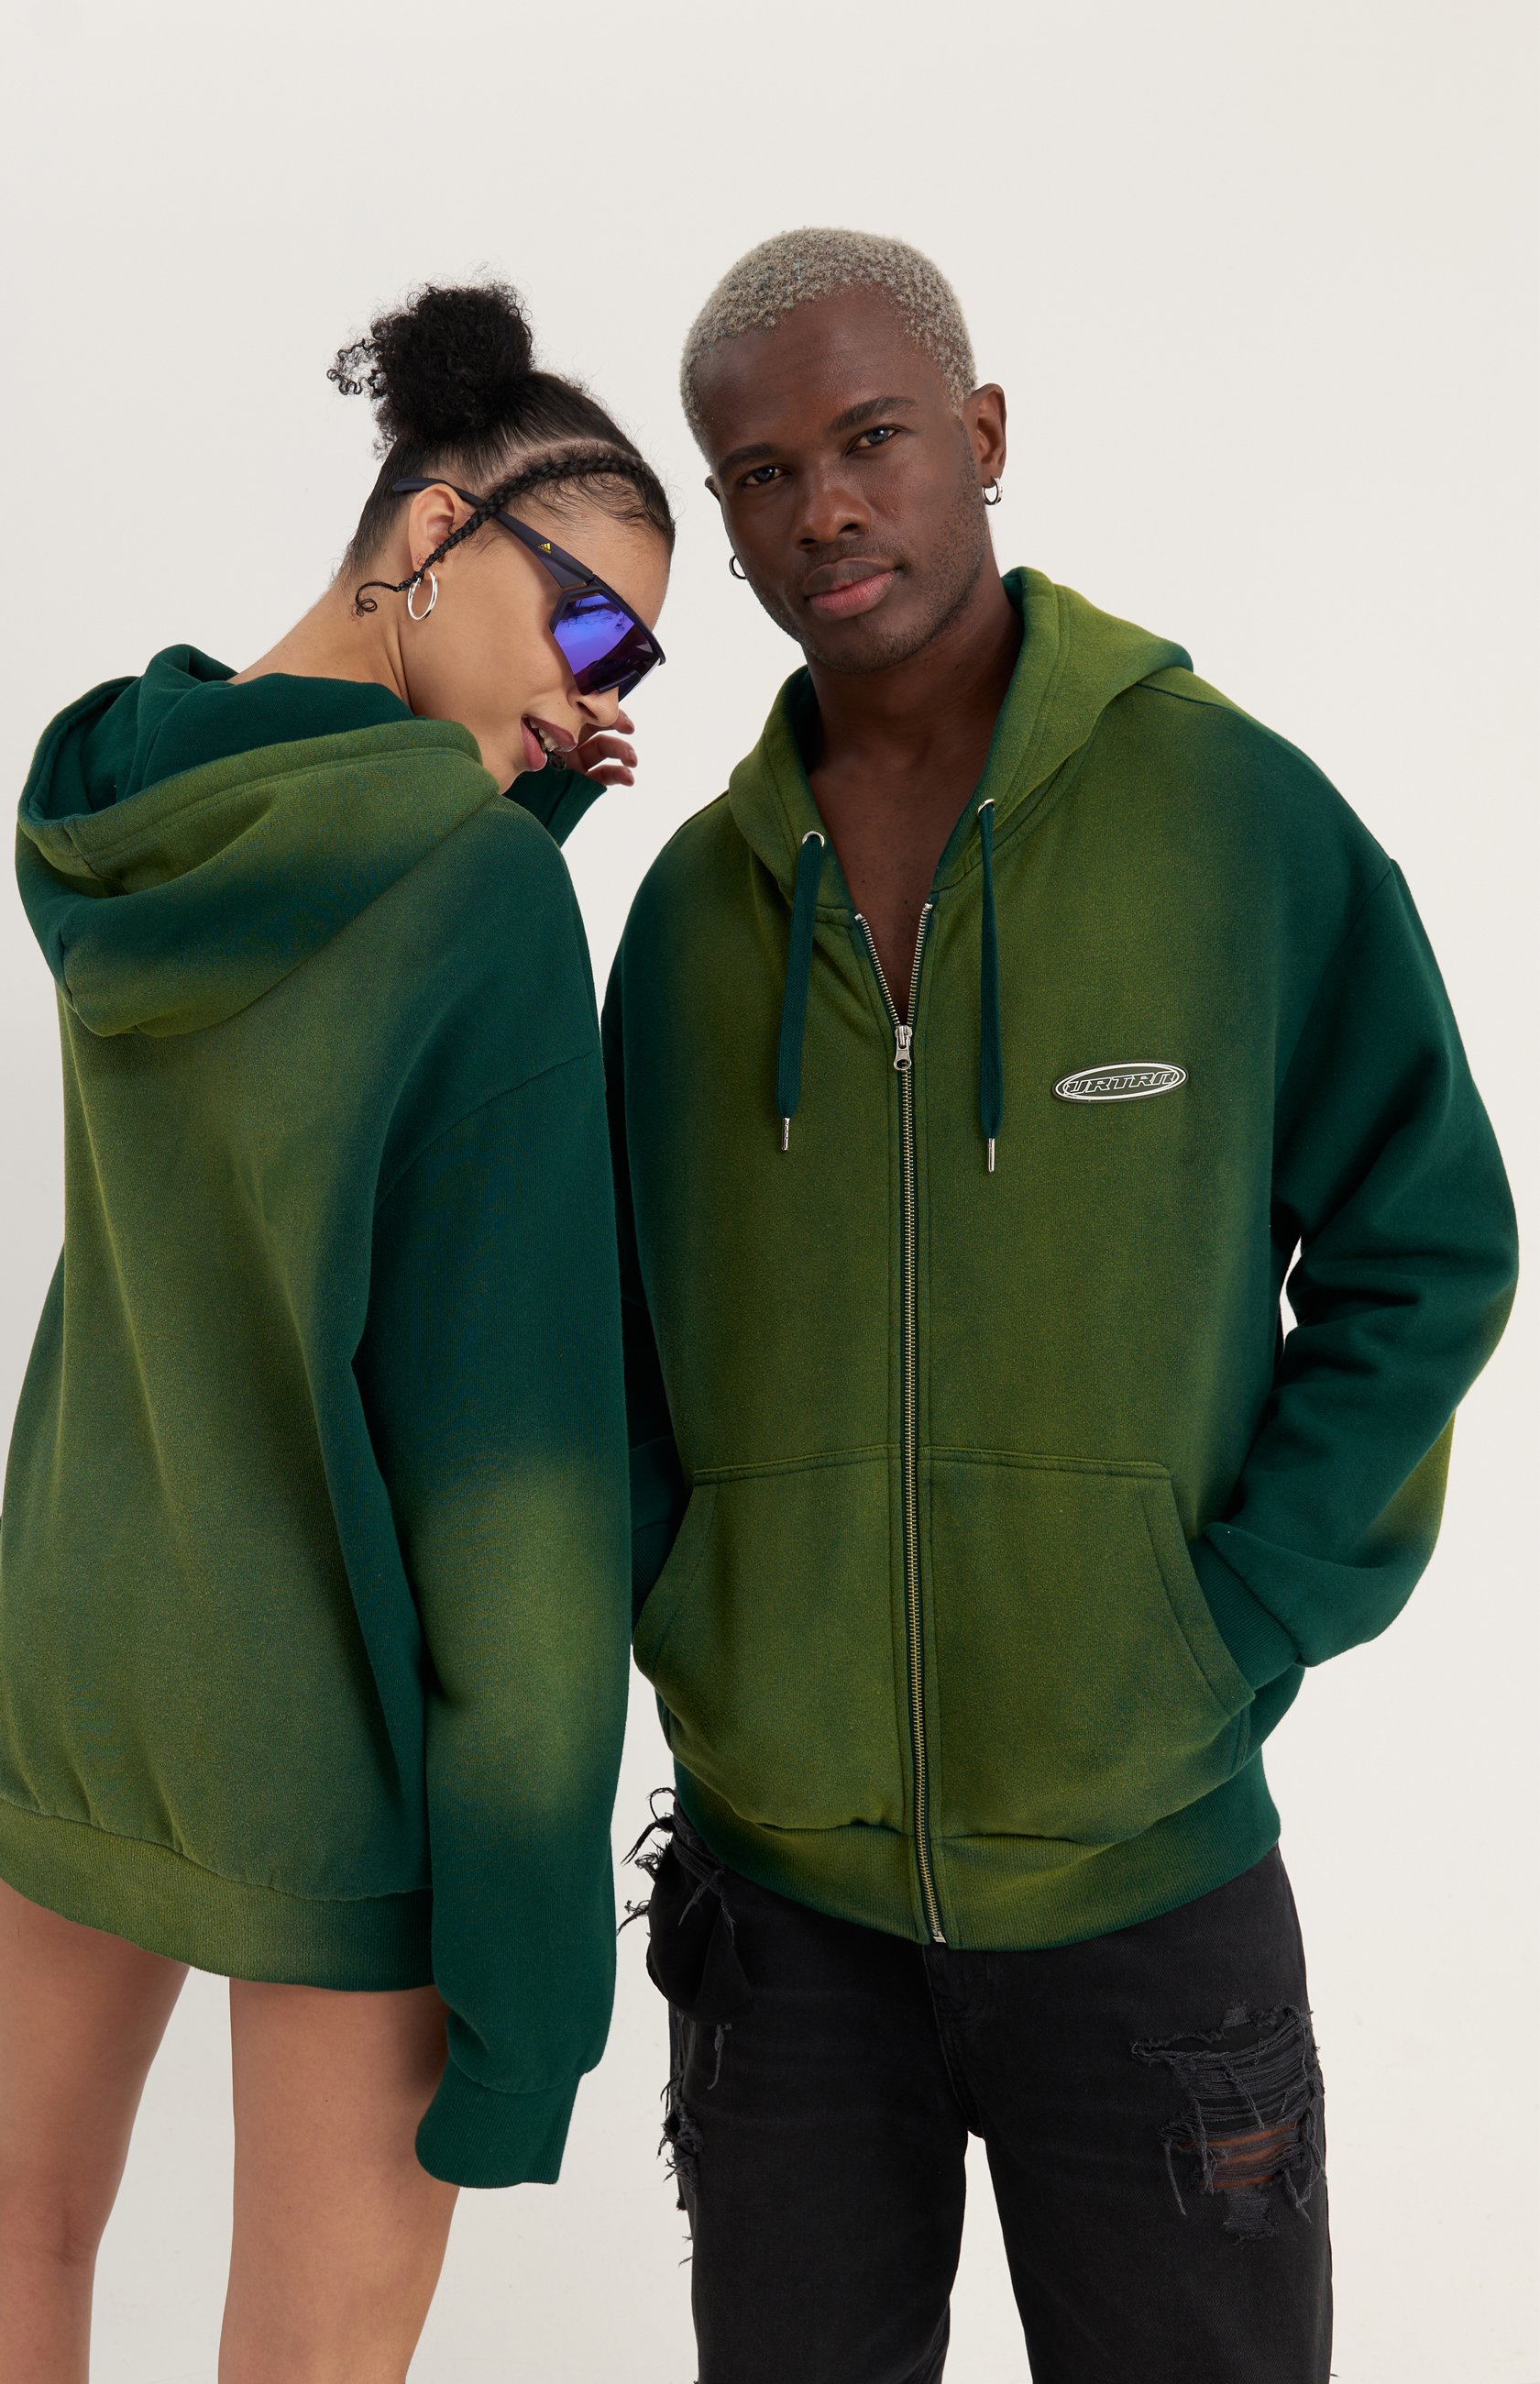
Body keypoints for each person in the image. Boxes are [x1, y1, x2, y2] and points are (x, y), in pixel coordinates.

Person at [606, 228, 1517, 2384]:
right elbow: (612, 1338)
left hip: (1147, 1892)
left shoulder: (1232, 816)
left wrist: (1233, 1618)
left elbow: (1424, 1241)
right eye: (760, 474)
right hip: (780, 1921)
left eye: (871, 438)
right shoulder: (694, 914)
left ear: (984, 434)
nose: (824, 508)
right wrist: (692, 1615)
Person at [0, 281, 670, 2384]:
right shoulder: (481, 908)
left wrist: (502, 800)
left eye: (630, 666)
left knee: (17, 2230)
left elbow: (290, 1012)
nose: (593, 689)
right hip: (327, 1745)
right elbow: (516, 1494)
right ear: (433, 528)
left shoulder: (117, 787)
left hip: (71, 1654)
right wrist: (536, 1990)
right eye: (585, 622)